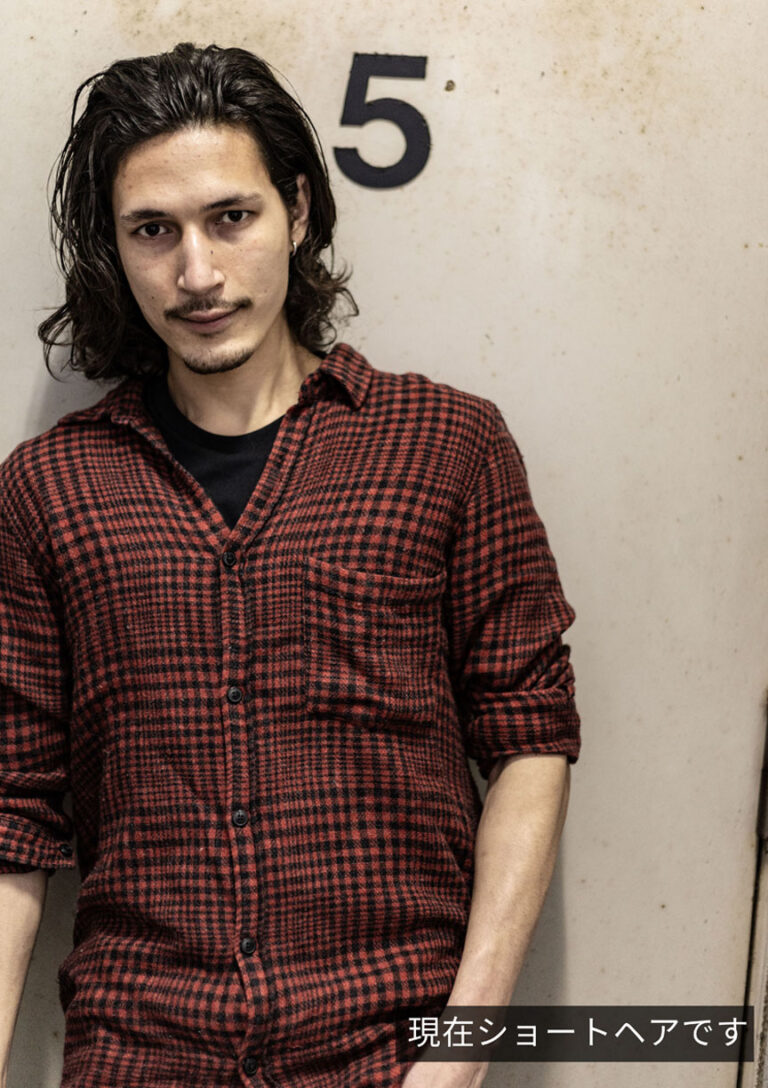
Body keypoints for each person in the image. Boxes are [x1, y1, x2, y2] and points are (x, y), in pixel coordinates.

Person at [0, 42, 580, 1088]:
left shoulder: (447, 447)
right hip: (140, 1051)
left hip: (386, 1047)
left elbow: (531, 737)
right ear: (113, 247)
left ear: (298, 209)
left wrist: (463, 1053)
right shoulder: (49, 490)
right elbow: (12, 814)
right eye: (153, 230)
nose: (198, 274)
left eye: (232, 216)